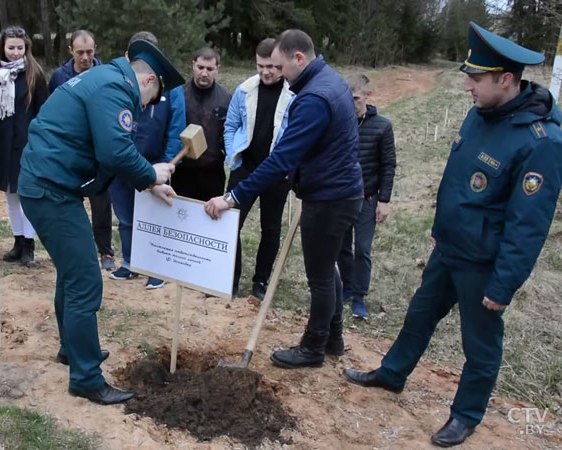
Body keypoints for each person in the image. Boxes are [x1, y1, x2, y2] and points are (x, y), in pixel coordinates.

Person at [343, 22, 562, 447]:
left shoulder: (542, 142)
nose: (468, 88)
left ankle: (466, 415)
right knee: (419, 316)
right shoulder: (481, 113)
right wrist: (441, 231)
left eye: (476, 79)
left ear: (506, 80)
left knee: (479, 345)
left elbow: (529, 224)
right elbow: (461, 181)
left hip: (485, 262)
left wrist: (504, 284)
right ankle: (392, 374)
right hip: (449, 249)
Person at [17, 39, 184, 405]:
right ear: (149, 81)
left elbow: (105, 154)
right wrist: (151, 173)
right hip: (51, 190)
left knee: (71, 272)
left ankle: (72, 350)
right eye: (152, 98)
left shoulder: (104, 78)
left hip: (47, 183)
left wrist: (148, 182)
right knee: (85, 280)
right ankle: (86, 377)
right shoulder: (116, 89)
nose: (147, 107)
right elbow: (115, 151)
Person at [205, 29, 363, 368]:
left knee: (320, 276)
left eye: (281, 66)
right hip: (339, 192)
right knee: (328, 269)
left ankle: (313, 347)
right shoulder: (330, 81)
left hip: (329, 198)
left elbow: (280, 160)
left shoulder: (313, 99)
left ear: (299, 59)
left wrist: (232, 197)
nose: (278, 74)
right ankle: (334, 337)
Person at [108, 31, 187, 289]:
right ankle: (130, 263)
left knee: (153, 219)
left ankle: (156, 268)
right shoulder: (118, 84)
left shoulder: (171, 90)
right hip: (122, 163)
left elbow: (176, 130)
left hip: (154, 165)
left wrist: (166, 165)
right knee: (126, 218)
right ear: (128, 56)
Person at [224, 38, 294, 298]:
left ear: (282, 65)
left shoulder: (294, 94)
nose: (266, 72)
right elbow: (230, 126)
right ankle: (229, 280)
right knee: (231, 223)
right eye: (260, 65)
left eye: (273, 67)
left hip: (278, 172)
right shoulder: (243, 91)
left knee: (271, 228)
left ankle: (260, 282)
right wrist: (233, 155)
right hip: (245, 167)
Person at [48, 30, 117, 271]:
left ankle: (106, 251)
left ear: (95, 49)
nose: (85, 57)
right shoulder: (59, 76)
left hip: (97, 149)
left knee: (100, 201)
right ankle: (70, 250)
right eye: (80, 52)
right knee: (68, 201)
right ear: (70, 51)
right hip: (68, 149)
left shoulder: (106, 74)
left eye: (89, 52)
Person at [0, 26, 48, 267]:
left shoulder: (35, 74)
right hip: (2, 144)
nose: (15, 52)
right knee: (10, 195)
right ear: (2, 47)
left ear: (26, 48)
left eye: (19, 48)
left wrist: (40, 143)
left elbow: (43, 112)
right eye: (11, 48)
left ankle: (29, 245)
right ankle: (18, 241)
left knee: (26, 195)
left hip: (27, 144)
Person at [336, 73, 396, 319]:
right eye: (347, 99)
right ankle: (347, 286)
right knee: (341, 247)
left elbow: (388, 165)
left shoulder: (382, 126)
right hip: (340, 196)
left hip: (368, 198)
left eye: (356, 98)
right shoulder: (339, 123)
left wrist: (384, 200)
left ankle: (359, 295)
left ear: (367, 96)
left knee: (362, 248)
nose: (352, 103)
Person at [171, 47, 232, 201]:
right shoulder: (179, 95)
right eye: (200, 67)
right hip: (182, 171)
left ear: (217, 69)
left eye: (209, 69)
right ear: (193, 65)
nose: (204, 73)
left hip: (213, 173)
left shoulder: (227, 99)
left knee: (208, 220)